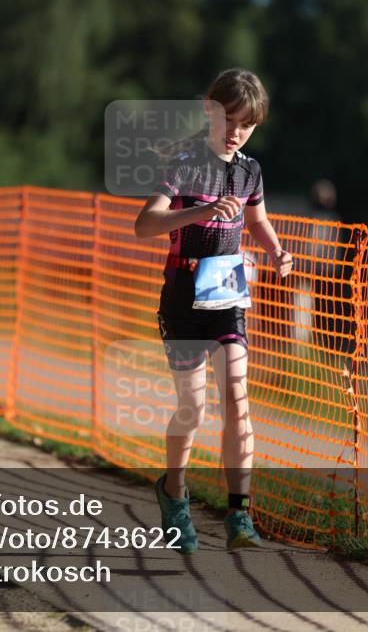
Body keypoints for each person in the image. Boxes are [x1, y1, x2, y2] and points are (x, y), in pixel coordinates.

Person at [134, 69, 292, 553]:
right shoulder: (182, 163)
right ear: (209, 110)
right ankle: (174, 492)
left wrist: (276, 252)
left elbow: (258, 219)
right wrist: (198, 212)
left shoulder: (251, 172)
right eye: (229, 119)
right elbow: (144, 225)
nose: (236, 131)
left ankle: (239, 515)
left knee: (238, 399)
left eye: (247, 124)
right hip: (183, 295)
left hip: (227, 295)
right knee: (194, 407)